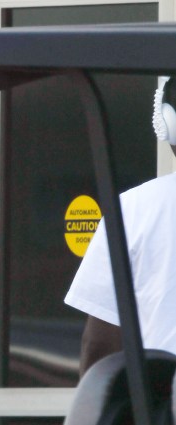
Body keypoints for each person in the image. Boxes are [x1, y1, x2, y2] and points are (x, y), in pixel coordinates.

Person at [65, 76, 176, 375]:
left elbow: (99, 345)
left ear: (166, 123)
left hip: (163, 412)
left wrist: (97, 415)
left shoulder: (131, 210)